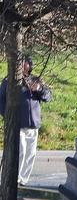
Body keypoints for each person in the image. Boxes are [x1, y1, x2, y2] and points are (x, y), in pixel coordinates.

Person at [0, 55, 52, 186]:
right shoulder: (9, 81)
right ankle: (15, 178)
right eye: (21, 62)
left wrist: (39, 89)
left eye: (26, 63)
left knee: (31, 153)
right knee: (21, 150)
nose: (24, 65)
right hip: (18, 124)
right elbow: (1, 100)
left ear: (30, 65)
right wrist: (7, 116)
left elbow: (48, 97)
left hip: (33, 124)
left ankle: (23, 179)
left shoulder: (36, 80)